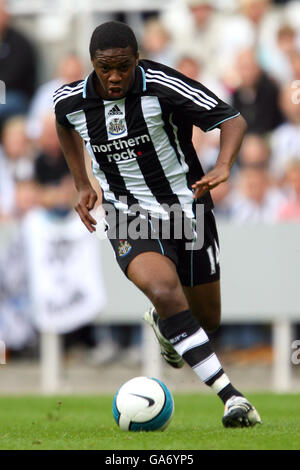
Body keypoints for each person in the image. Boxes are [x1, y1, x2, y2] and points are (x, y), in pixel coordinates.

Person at [54, 20, 261, 428]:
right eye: (104, 68)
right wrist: (82, 183)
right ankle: (231, 397)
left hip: (189, 211)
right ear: (93, 63)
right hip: (127, 214)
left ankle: (166, 325)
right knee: (165, 290)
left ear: (137, 60)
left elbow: (232, 119)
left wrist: (222, 166)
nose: (114, 77)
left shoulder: (164, 86)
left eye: (123, 67)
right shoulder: (71, 100)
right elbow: (64, 123)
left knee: (207, 319)